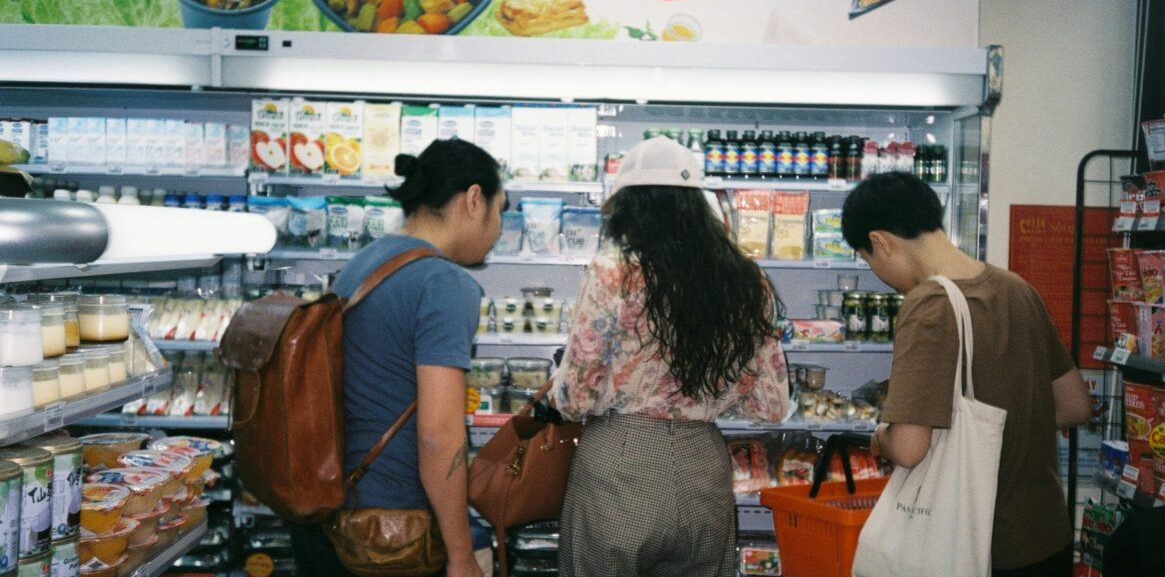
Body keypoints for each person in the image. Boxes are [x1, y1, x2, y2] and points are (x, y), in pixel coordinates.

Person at [550, 136, 789, 577]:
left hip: (619, 462)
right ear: (698, 207)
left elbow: (574, 399)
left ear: (625, 209)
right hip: (704, 466)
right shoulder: (746, 280)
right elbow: (770, 405)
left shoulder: (613, 272)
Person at [841, 171, 1093, 577]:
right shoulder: (1019, 289)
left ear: (881, 241)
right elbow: (1075, 406)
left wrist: (879, 438)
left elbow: (908, 447)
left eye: (869, 259)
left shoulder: (929, 306)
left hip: (977, 548)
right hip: (1047, 538)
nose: (878, 273)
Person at [289, 139, 504, 577]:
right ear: (474, 200)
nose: (498, 229)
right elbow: (438, 436)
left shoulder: (367, 260)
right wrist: (461, 555)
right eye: (500, 209)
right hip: (393, 532)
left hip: (333, 511)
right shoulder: (444, 283)